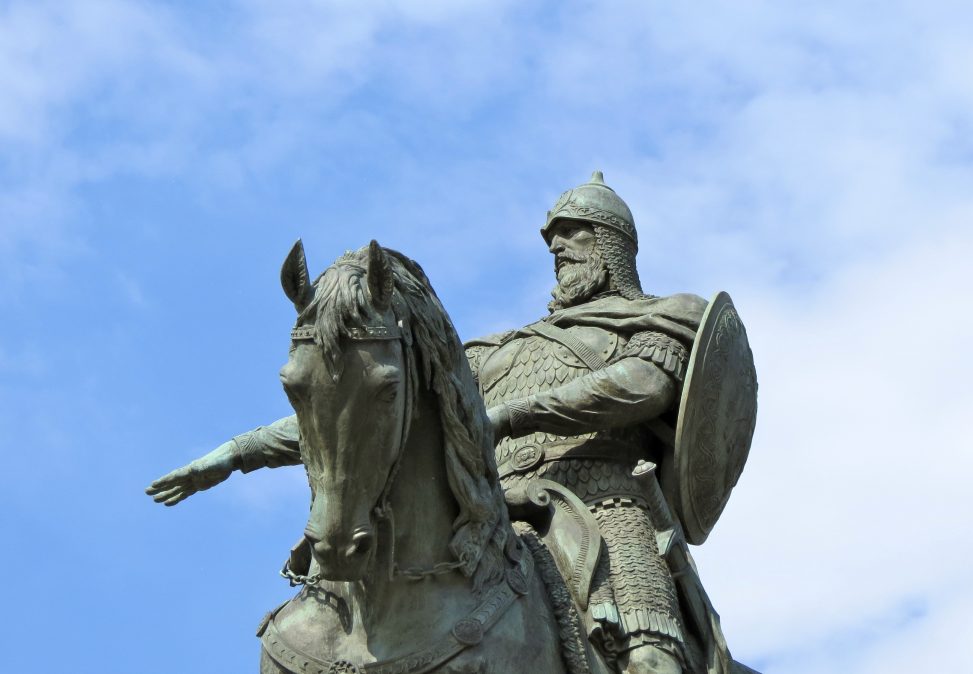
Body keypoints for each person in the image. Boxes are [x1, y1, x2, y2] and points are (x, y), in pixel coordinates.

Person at [148, 172, 708, 674]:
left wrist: (508, 414)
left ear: (612, 244)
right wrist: (238, 452)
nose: (558, 247)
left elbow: (642, 386)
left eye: (574, 233)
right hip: (490, 504)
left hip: (602, 505)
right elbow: (360, 415)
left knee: (651, 659)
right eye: (553, 238)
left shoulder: (659, 318)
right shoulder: (500, 350)